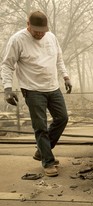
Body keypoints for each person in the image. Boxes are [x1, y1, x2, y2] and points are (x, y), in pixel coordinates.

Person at [0, 11, 72, 177]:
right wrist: (8, 89)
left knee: (62, 118)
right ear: (28, 25)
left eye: (42, 30)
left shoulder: (51, 37)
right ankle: (48, 161)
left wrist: (66, 77)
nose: (40, 34)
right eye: (36, 31)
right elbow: (7, 65)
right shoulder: (17, 40)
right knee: (40, 127)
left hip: (53, 87)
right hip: (32, 89)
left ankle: (42, 150)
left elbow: (59, 58)